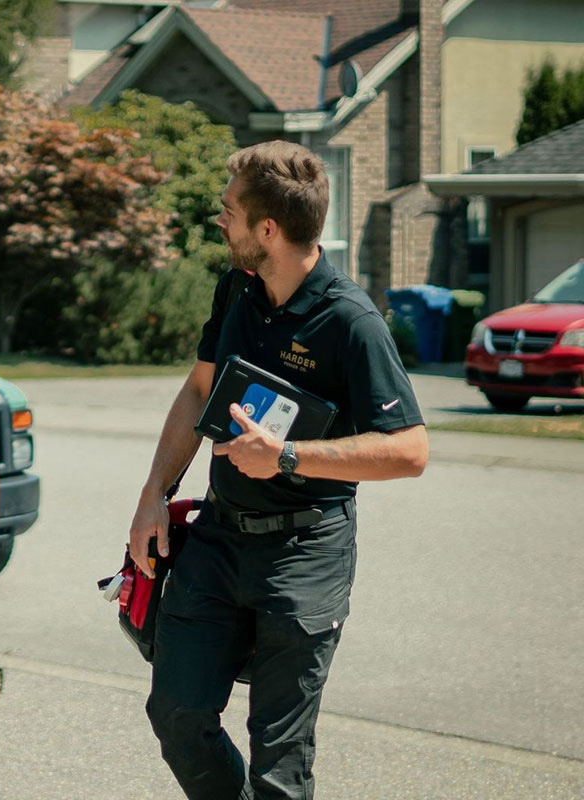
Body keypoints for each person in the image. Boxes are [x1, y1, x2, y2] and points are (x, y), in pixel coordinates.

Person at [127, 140, 428, 800]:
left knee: (279, 761)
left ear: (268, 229)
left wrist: (287, 456)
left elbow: (409, 451)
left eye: (228, 210)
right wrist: (154, 494)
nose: (219, 221)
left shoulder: (351, 321)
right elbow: (198, 389)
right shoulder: (236, 287)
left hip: (305, 552)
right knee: (176, 713)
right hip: (219, 537)